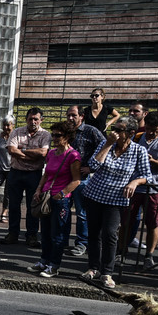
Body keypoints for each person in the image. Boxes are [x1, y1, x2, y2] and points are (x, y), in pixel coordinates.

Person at [80, 117, 150, 289]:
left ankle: (107, 272)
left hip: (116, 199)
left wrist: (134, 182)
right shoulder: (106, 143)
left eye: (120, 130)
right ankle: (93, 268)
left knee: (110, 234)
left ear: (131, 133)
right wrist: (107, 145)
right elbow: (94, 165)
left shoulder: (138, 151)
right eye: (115, 129)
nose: (115, 132)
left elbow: (146, 175)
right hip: (95, 195)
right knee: (94, 233)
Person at [27, 122, 81, 278]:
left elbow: (76, 180)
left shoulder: (73, 156)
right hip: (46, 196)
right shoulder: (51, 153)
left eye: (58, 135)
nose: (54, 138)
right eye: (53, 135)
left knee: (58, 234)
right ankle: (44, 261)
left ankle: (54, 265)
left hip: (60, 200)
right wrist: (38, 189)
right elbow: (46, 174)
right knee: (44, 232)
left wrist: (62, 194)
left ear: (68, 137)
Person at [126, 111, 158, 269]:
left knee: (153, 223)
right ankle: (121, 251)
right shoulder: (136, 138)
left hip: (155, 187)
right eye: (147, 128)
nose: (150, 132)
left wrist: (152, 161)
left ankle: (149, 255)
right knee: (126, 220)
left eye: (154, 130)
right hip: (135, 186)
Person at [2, 107, 50, 247]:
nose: (33, 121)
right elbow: (11, 150)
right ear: (26, 119)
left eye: (36, 119)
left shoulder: (45, 135)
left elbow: (43, 153)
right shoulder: (17, 132)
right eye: (30, 119)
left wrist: (21, 151)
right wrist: (30, 155)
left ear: (41, 120)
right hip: (16, 172)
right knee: (14, 205)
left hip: (34, 174)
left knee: (33, 205)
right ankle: (13, 233)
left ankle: (32, 235)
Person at [64, 105, 106, 257]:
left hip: (83, 179)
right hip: (65, 177)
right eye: (68, 115)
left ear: (81, 116)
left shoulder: (91, 131)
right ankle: (62, 241)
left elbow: (105, 147)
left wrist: (91, 167)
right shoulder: (66, 130)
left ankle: (82, 243)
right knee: (64, 210)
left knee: (82, 213)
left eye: (73, 115)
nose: (70, 118)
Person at [0, 115, 14, 223]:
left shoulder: (15, 137)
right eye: (4, 125)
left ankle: (4, 212)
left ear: (13, 125)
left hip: (12, 168)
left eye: (8, 125)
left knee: (8, 193)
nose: (5, 127)